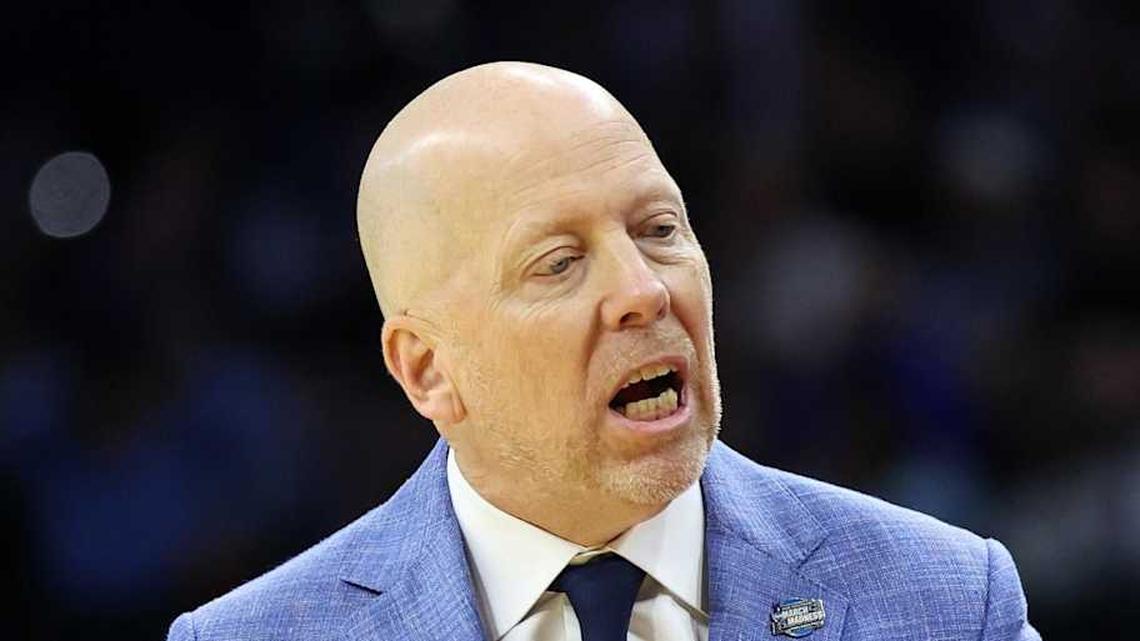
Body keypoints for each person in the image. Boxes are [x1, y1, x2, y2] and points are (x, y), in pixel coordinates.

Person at [167, 61, 1039, 641]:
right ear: (428, 369)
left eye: (659, 229)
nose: (645, 290)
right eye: (559, 263)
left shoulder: (949, 601)